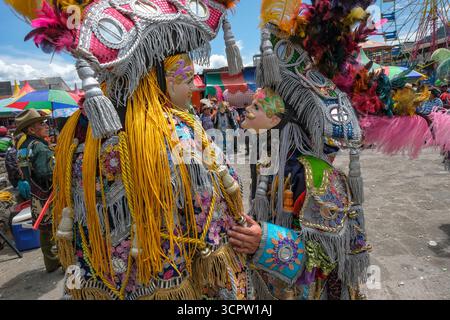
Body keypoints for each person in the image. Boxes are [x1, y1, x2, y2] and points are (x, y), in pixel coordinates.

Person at [15, 0, 251, 300]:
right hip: (171, 282)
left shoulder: (77, 133)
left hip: (101, 280)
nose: (193, 86)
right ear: (159, 77)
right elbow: (211, 206)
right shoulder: (176, 130)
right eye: (186, 76)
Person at [14, 109, 59, 272]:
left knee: (44, 229)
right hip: (48, 193)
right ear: (32, 130)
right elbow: (46, 172)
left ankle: (51, 263)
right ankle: (59, 260)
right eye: (42, 124)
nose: (46, 126)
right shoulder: (39, 147)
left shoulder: (24, 147)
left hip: (35, 193)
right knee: (56, 228)